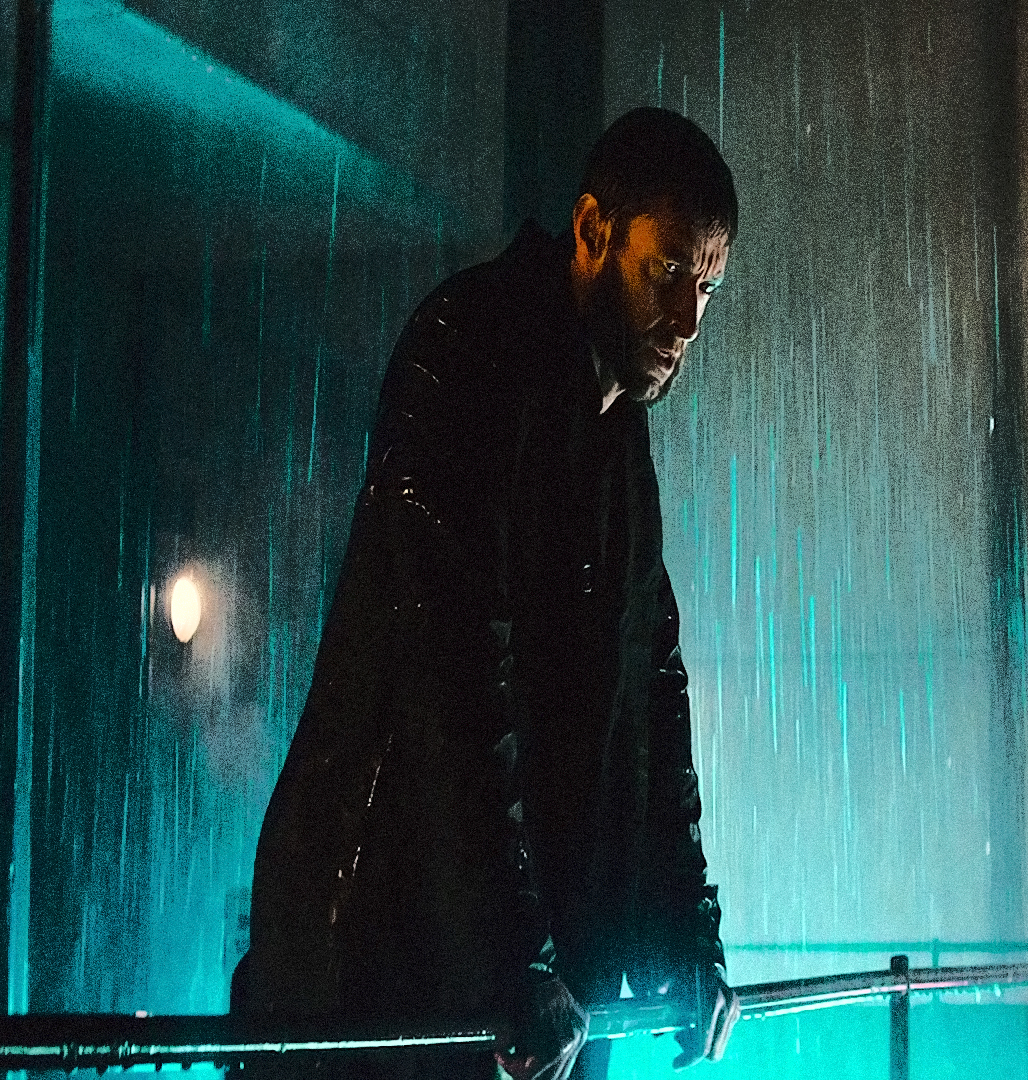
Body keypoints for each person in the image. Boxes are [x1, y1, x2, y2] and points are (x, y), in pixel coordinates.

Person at [234, 107, 742, 1080]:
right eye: (669, 270)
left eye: (707, 286)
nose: (687, 320)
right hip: (389, 941)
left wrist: (687, 934)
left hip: (523, 959)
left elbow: (651, 684)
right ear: (592, 232)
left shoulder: (613, 430)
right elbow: (453, 667)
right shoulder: (470, 348)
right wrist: (522, 954)